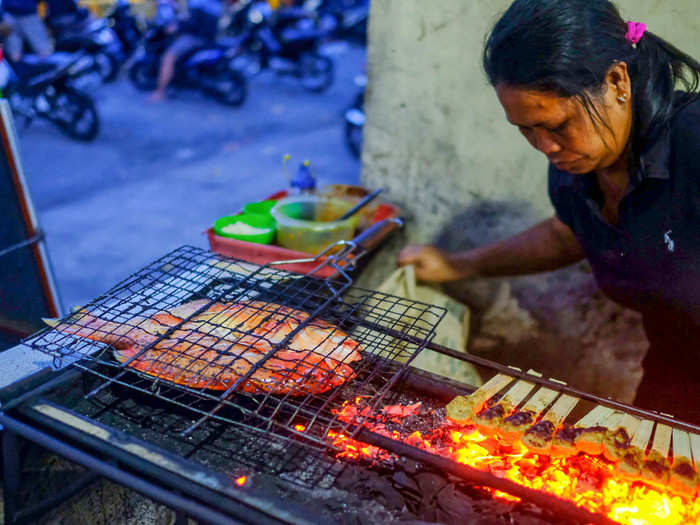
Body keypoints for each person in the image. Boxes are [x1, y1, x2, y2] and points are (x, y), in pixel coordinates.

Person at [398, 0, 700, 423]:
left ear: (617, 81)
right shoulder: (579, 168)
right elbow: (568, 233)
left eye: (558, 126)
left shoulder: (692, 144)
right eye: (526, 130)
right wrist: (457, 265)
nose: (545, 148)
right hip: (673, 371)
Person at [149, 0, 223, 101]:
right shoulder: (216, 2)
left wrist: (177, 28)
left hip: (195, 37)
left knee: (168, 57)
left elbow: (193, 23)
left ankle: (159, 92)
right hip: (208, 37)